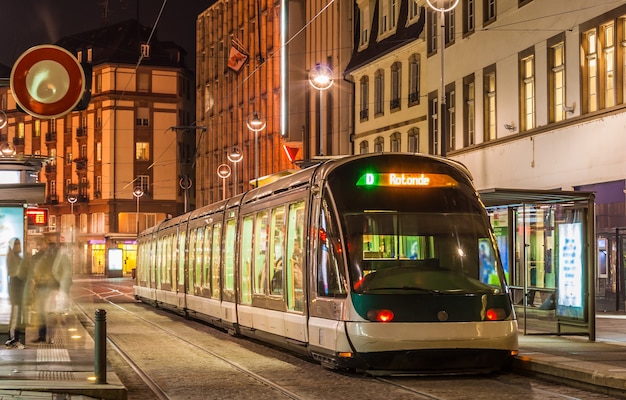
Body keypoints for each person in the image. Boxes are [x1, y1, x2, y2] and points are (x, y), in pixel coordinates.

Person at [5, 238, 27, 349]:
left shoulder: (17, 257)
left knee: (18, 316)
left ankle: (15, 339)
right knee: (15, 315)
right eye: (17, 244)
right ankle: (12, 339)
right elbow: (15, 273)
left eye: (19, 244)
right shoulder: (11, 258)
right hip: (15, 289)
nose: (19, 246)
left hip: (19, 289)